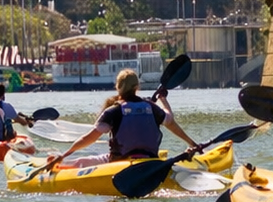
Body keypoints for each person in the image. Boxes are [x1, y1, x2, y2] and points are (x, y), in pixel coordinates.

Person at [45, 68, 201, 169]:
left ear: (118, 87)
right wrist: (193, 144)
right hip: (149, 160)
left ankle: (60, 165)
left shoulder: (113, 112)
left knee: (81, 162)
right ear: (136, 87)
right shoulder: (151, 108)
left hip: (118, 163)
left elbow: (89, 138)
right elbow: (170, 121)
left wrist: (65, 154)